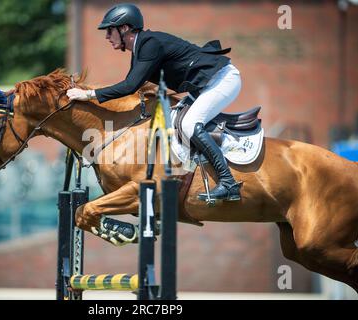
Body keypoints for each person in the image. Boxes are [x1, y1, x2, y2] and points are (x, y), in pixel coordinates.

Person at [67, 3, 242, 202]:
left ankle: (228, 183)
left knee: (189, 124)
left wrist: (88, 95)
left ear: (124, 29)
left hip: (223, 79)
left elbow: (129, 86)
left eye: (109, 30)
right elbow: (133, 85)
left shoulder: (149, 44)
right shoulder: (141, 48)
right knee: (176, 118)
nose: (107, 37)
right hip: (205, 85)